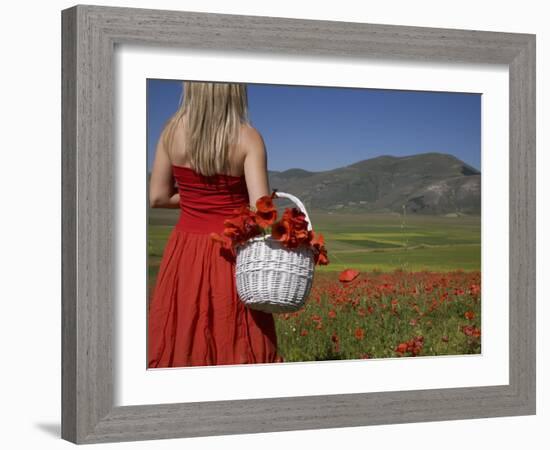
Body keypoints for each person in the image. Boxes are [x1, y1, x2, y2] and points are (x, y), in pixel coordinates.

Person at [147, 81, 284, 368]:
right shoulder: (248, 138)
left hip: (184, 252)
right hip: (231, 255)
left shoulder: (171, 133)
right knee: (235, 334)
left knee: (182, 330)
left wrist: (199, 197)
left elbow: (157, 197)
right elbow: (261, 211)